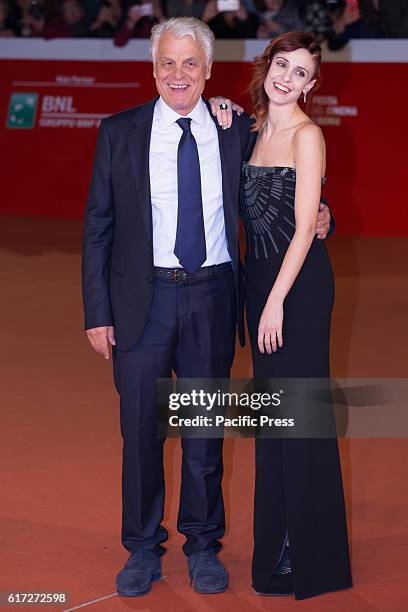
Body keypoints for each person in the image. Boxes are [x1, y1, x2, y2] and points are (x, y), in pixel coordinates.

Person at [82, 17, 331, 598]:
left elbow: (284, 187)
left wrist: (325, 219)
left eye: (190, 63)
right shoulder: (119, 132)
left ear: (209, 70)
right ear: (152, 67)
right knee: (141, 433)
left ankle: (202, 544)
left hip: (213, 299)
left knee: (202, 432)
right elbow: (98, 226)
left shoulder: (235, 128)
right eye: (167, 62)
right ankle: (142, 549)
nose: (178, 74)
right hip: (140, 303)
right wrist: (98, 311)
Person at [211, 31, 353, 599]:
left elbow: (302, 227)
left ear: (312, 85)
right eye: (281, 64)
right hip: (261, 290)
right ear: (266, 66)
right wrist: (218, 106)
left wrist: (275, 302)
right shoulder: (248, 131)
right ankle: (278, 551)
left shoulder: (307, 135)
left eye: (300, 72)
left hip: (297, 292)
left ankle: (312, 558)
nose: (286, 78)